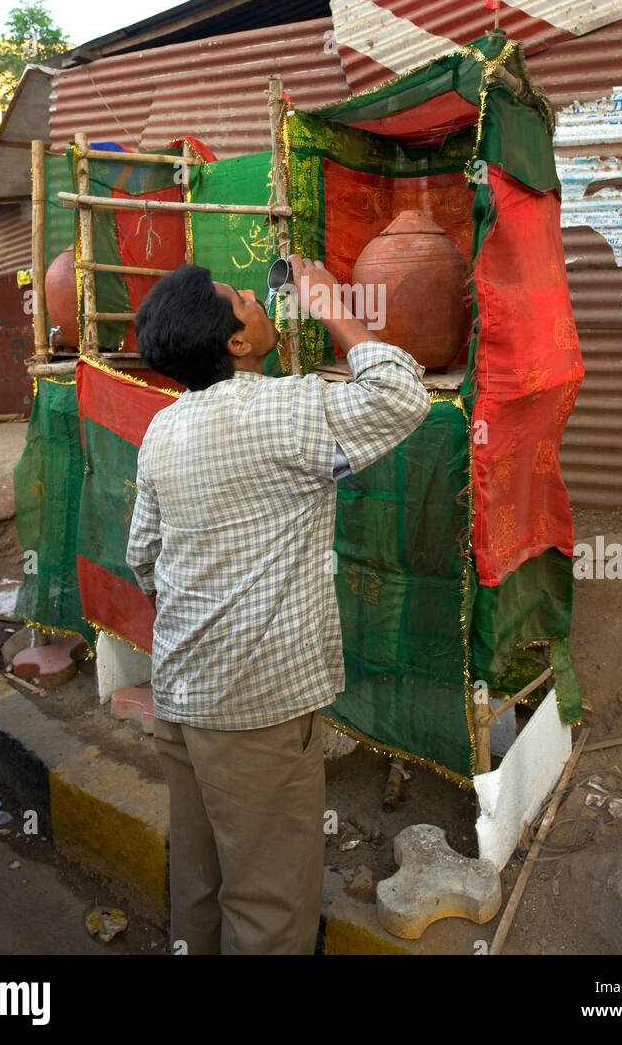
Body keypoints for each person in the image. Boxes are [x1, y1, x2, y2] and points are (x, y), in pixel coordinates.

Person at [126, 254, 429, 955]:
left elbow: (144, 557)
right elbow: (400, 395)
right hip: (256, 710)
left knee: (199, 883)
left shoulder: (162, 430)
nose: (258, 304)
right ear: (234, 342)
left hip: (181, 696)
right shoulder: (283, 409)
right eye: (242, 300)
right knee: (268, 908)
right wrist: (327, 300)